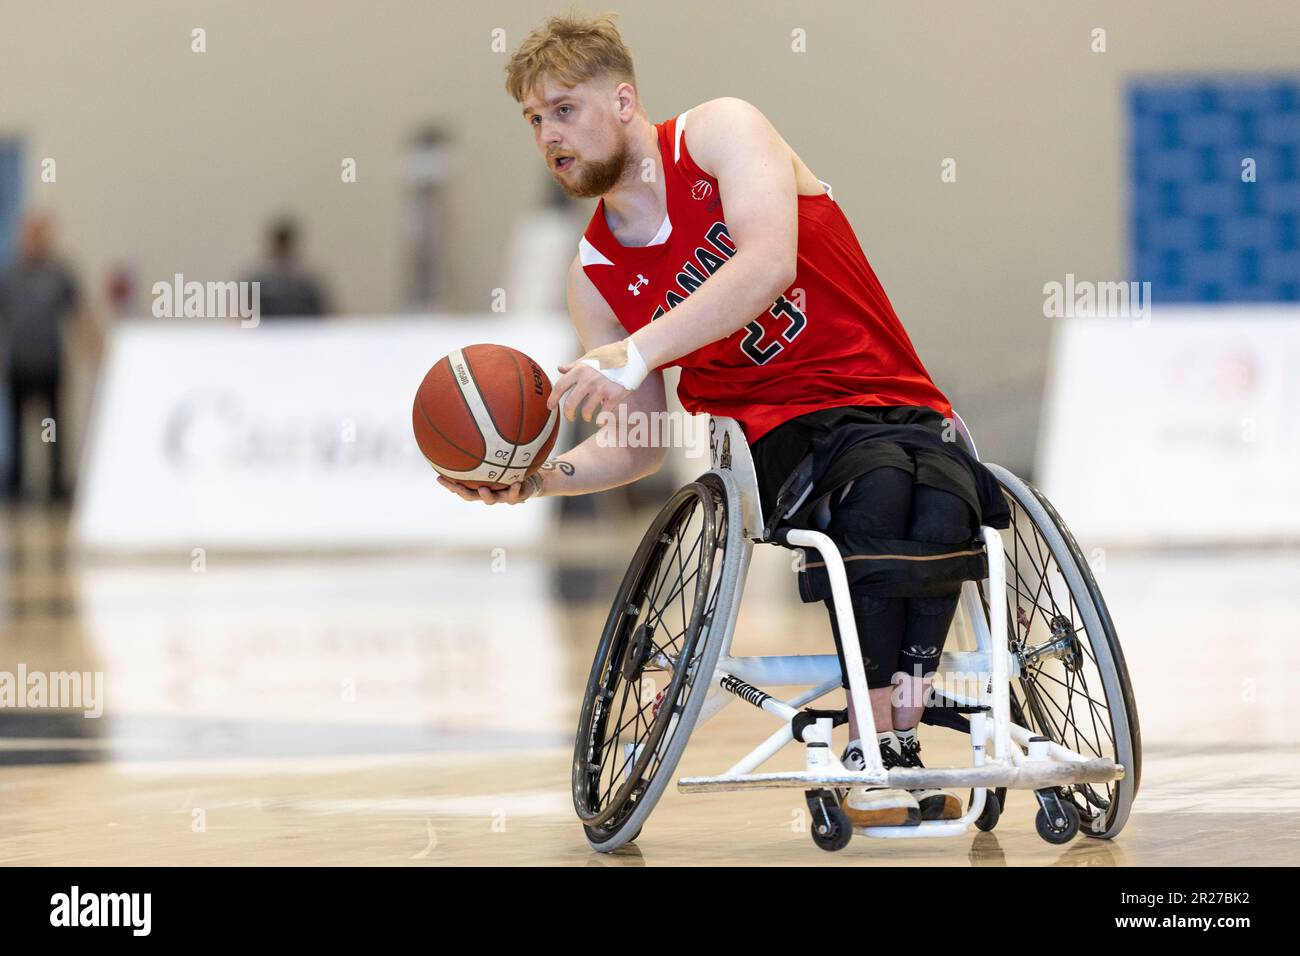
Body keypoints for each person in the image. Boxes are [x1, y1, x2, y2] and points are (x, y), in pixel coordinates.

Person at [438, 13, 1010, 827]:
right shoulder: (596, 278)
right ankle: (878, 732)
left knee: (948, 507)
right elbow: (636, 445)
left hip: (897, 393)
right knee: (879, 496)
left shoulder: (720, 134)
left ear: (624, 99)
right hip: (777, 430)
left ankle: (893, 715)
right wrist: (538, 478)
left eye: (563, 109)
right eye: (534, 121)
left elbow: (768, 264)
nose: (548, 135)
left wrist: (636, 352)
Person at [0, 211, 87, 503]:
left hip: (50, 364)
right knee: (17, 427)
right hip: (20, 365)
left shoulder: (59, 274)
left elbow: (78, 315)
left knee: (53, 427)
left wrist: (93, 349)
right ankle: (16, 484)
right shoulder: (9, 275)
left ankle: (56, 485)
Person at [241, 217, 329, 318]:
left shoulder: (307, 280)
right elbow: (244, 310)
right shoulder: (258, 278)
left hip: (301, 330)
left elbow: (322, 311)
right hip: (265, 331)